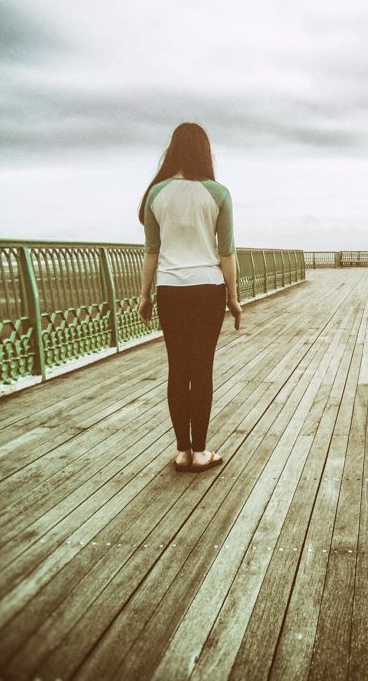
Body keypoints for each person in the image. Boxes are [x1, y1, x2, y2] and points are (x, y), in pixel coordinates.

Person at [137, 122, 242, 472]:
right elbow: (226, 252)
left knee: (177, 370)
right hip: (207, 288)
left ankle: (182, 451)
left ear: (173, 150)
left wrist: (144, 296)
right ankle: (200, 451)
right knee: (202, 368)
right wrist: (233, 297)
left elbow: (152, 251)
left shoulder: (156, 194)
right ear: (204, 151)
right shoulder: (218, 193)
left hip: (170, 289)